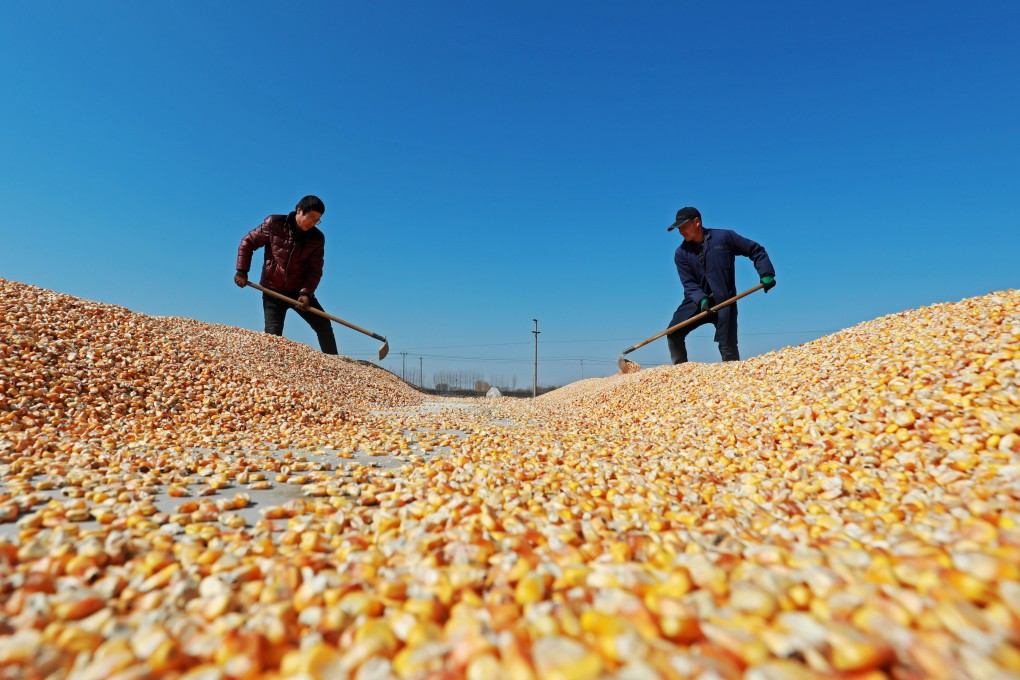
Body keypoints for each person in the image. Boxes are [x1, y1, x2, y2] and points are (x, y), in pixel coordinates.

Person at [665, 206, 775, 364]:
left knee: (728, 346)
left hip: (725, 300)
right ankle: (680, 371)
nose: (681, 231)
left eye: (684, 226)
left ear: (697, 222)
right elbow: (689, 283)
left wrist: (766, 273)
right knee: (673, 332)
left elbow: (755, 250)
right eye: (678, 228)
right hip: (695, 302)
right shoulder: (681, 253)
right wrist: (701, 299)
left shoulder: (723, 238)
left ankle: (732, 375)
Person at [234, 195, 338, 355]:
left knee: (323, 325)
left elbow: (315, 270)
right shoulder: (274, 223)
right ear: (299, 210)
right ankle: (271, 363)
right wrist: (242, 270)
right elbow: (248, 242)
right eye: (311, 217)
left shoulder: (317, 238)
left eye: (317, 220)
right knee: (273, 334)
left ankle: (335, 363)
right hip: (272, 290)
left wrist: (306, 293)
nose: (313, 222)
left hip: (298, 292)